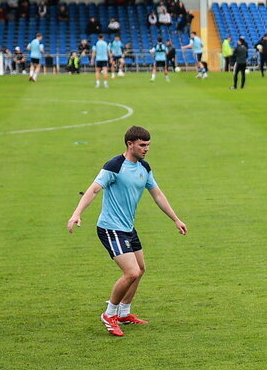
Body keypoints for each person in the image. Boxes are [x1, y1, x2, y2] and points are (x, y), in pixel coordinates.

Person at [66, 125, 187, 337]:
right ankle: (109, 313)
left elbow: (157, 195)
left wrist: (175, 219)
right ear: (129, 144)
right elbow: (94, 189)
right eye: (142, 145)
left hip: (128, 228)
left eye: (148, 145)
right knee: (131, 272)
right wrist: (76, 213)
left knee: (140, 269)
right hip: (111, 228)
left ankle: (124, 313)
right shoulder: (114, 166)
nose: (146, 149)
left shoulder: (144, 167)